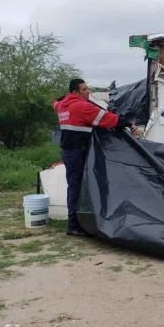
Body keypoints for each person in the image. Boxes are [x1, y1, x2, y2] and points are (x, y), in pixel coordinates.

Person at [52, 78, 137, 236]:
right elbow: (110, 119)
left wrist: (62, 98)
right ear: (76, 92)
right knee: (76, 187)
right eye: (84, 90)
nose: (88, 92)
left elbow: (55, 103)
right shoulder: (83, 106)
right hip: (77, 152)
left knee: (74, 186)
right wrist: (128, 123)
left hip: (68, 151)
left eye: (87, 89)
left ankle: (77, 221)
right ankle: (73, 225)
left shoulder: (61, 106)